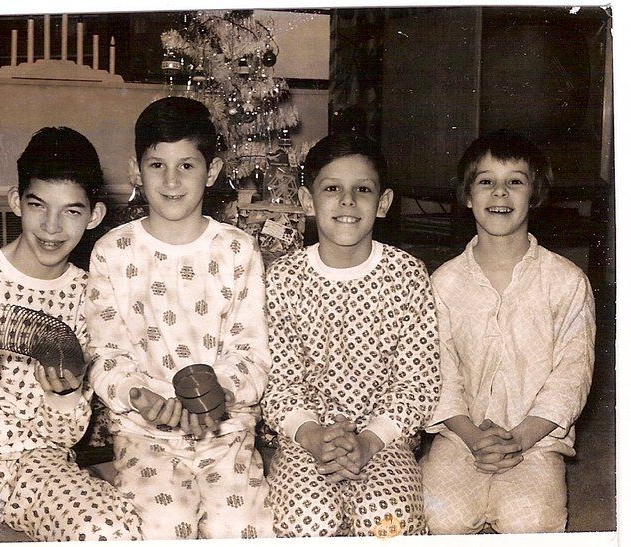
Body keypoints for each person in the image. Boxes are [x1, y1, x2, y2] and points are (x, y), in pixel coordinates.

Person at [0, 127, 143, 542]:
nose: (52, 227)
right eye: (39, 205)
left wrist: (63, 395)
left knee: (111, 528)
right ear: (17, 202)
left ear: (94, 216)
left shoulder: (91, 295)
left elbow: (66, 437)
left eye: (71, 211)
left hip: (40, 462)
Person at [85, 96, 273, 540]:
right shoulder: (113, 252)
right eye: (157, 166)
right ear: (136, 170)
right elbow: (104, 352)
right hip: (144, 432)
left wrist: (220, 394)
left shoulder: (237, 249)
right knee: (162, 527)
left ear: (212, 171)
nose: (171, 180)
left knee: (243, 527)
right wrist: (140, 397)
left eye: (187, 165)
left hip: (226, 430)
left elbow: (251, 349)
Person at [261, 132, 441, 537]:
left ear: (383, 203)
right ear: (308, 202)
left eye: (362, 190)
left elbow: (419, 381)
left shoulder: (407, 275)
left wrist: (371, 442)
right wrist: (313, 436)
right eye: (331, 189)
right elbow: (280, 382)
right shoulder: (283, 279)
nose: (347, 201)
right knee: (307, 519)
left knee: (386, 521)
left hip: (385, 438)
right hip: (304, 437)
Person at [420, 130, 596, 534]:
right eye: (486, 181)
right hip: (459, 437)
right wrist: (470, 434)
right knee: (438, 518)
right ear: (467, 196)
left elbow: (572, 376)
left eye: (515, 181)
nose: (500, 193)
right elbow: (437, 371)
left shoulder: (566, 281)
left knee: (531, 522)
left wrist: (519, 437)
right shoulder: (442, 284)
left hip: (536, 440)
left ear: (534, 195)